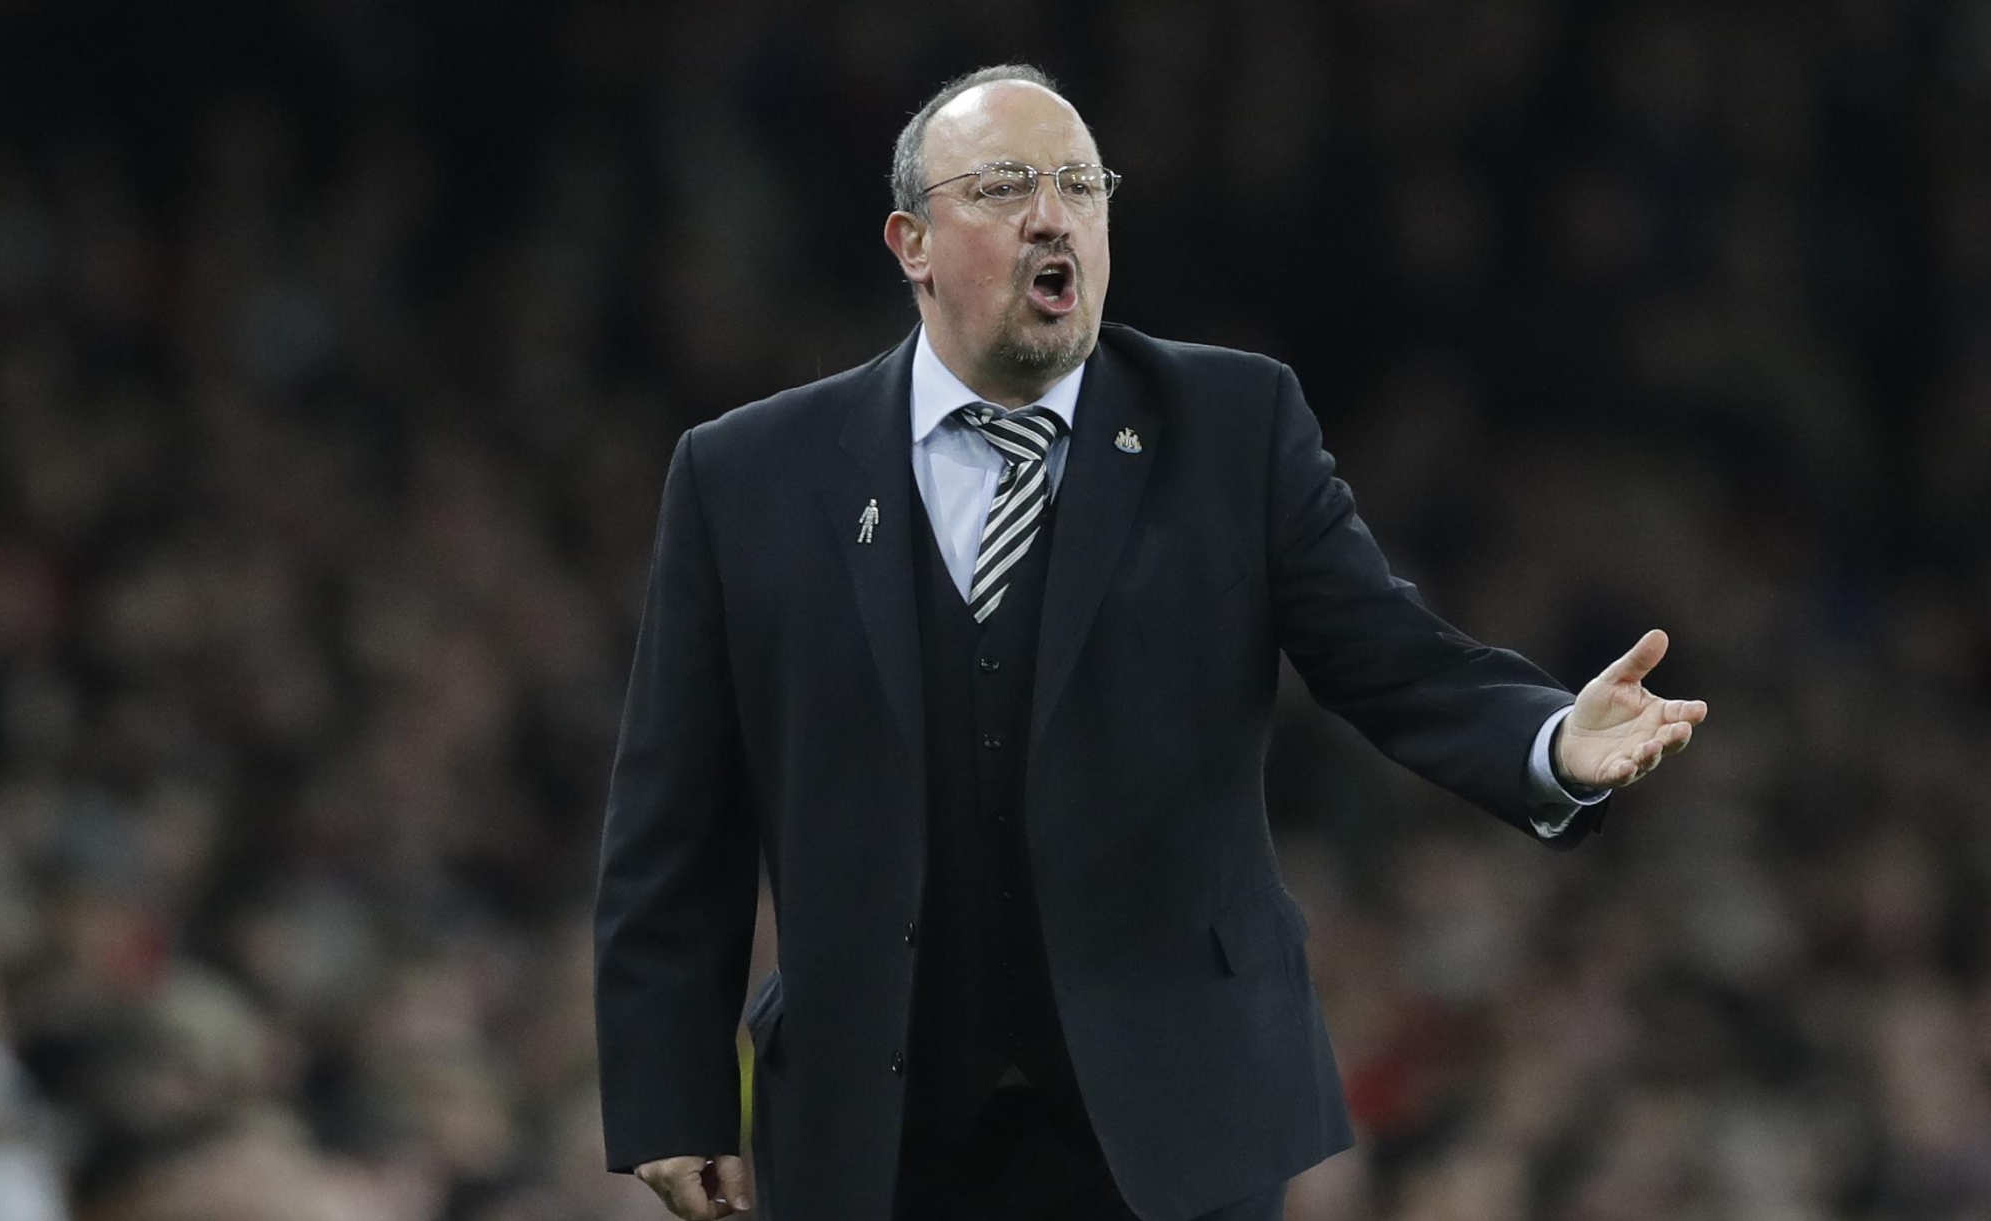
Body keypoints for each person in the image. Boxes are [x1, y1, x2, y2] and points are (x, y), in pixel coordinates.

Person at [592, 64, 1708, 1221]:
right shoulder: (744, 476)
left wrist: (1549, 742)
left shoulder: (1231, 424)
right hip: (876, 1127)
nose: (1051, 211)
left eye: (1081, 183)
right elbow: (675, 816)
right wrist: (671, 1094)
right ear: (911, 243)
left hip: (1175, 1111)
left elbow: (1392, 657)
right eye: (1005, 185)